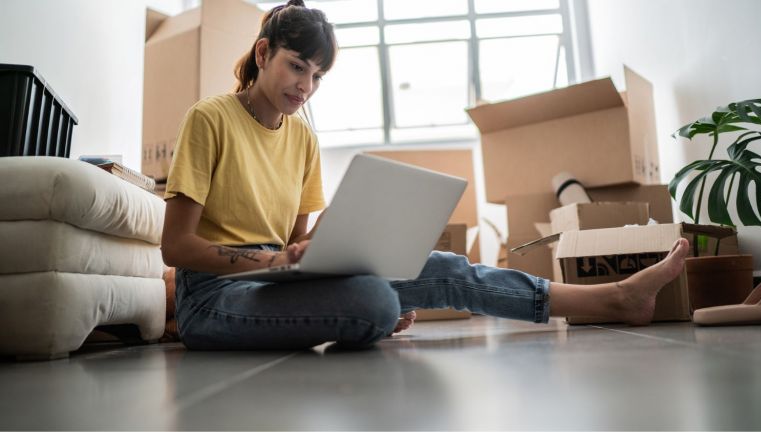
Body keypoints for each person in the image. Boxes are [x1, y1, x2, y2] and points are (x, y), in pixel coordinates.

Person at [160, 0, 690, 351]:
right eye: (297, 66)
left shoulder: (303, 139)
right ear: (263, 54)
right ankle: (366, 313)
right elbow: (176, 247)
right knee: (374, 301)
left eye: (318, 76)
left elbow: (298, 244)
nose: (306, 86)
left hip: (274, 281)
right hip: (211, 298)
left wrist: (325, 248)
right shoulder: (210, 119)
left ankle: (615, 298)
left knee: (444, 268)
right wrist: (278, 258)